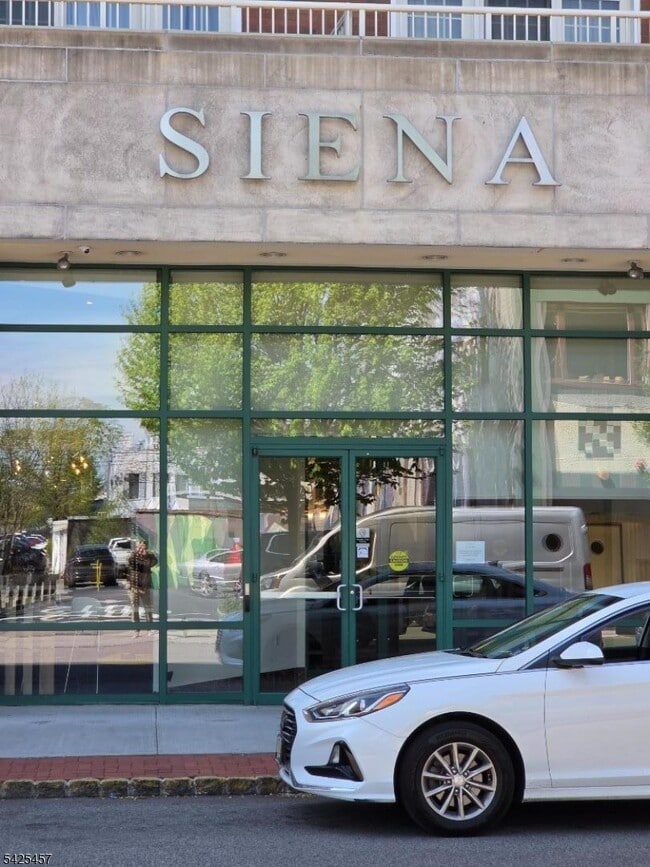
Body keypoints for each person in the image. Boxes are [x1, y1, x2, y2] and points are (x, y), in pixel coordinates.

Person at [127, 539, 157, 624]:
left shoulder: (149, 557)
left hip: (145, 586)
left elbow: (154, 562)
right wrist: (136, 553)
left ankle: (149, 626)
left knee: (147, 606)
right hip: (134, 586)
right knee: (134, 607)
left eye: (142, 548)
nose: (140, 550)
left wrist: (146, 555)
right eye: (138, 547)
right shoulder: (133, 556)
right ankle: (136, 627)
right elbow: (129, 561)